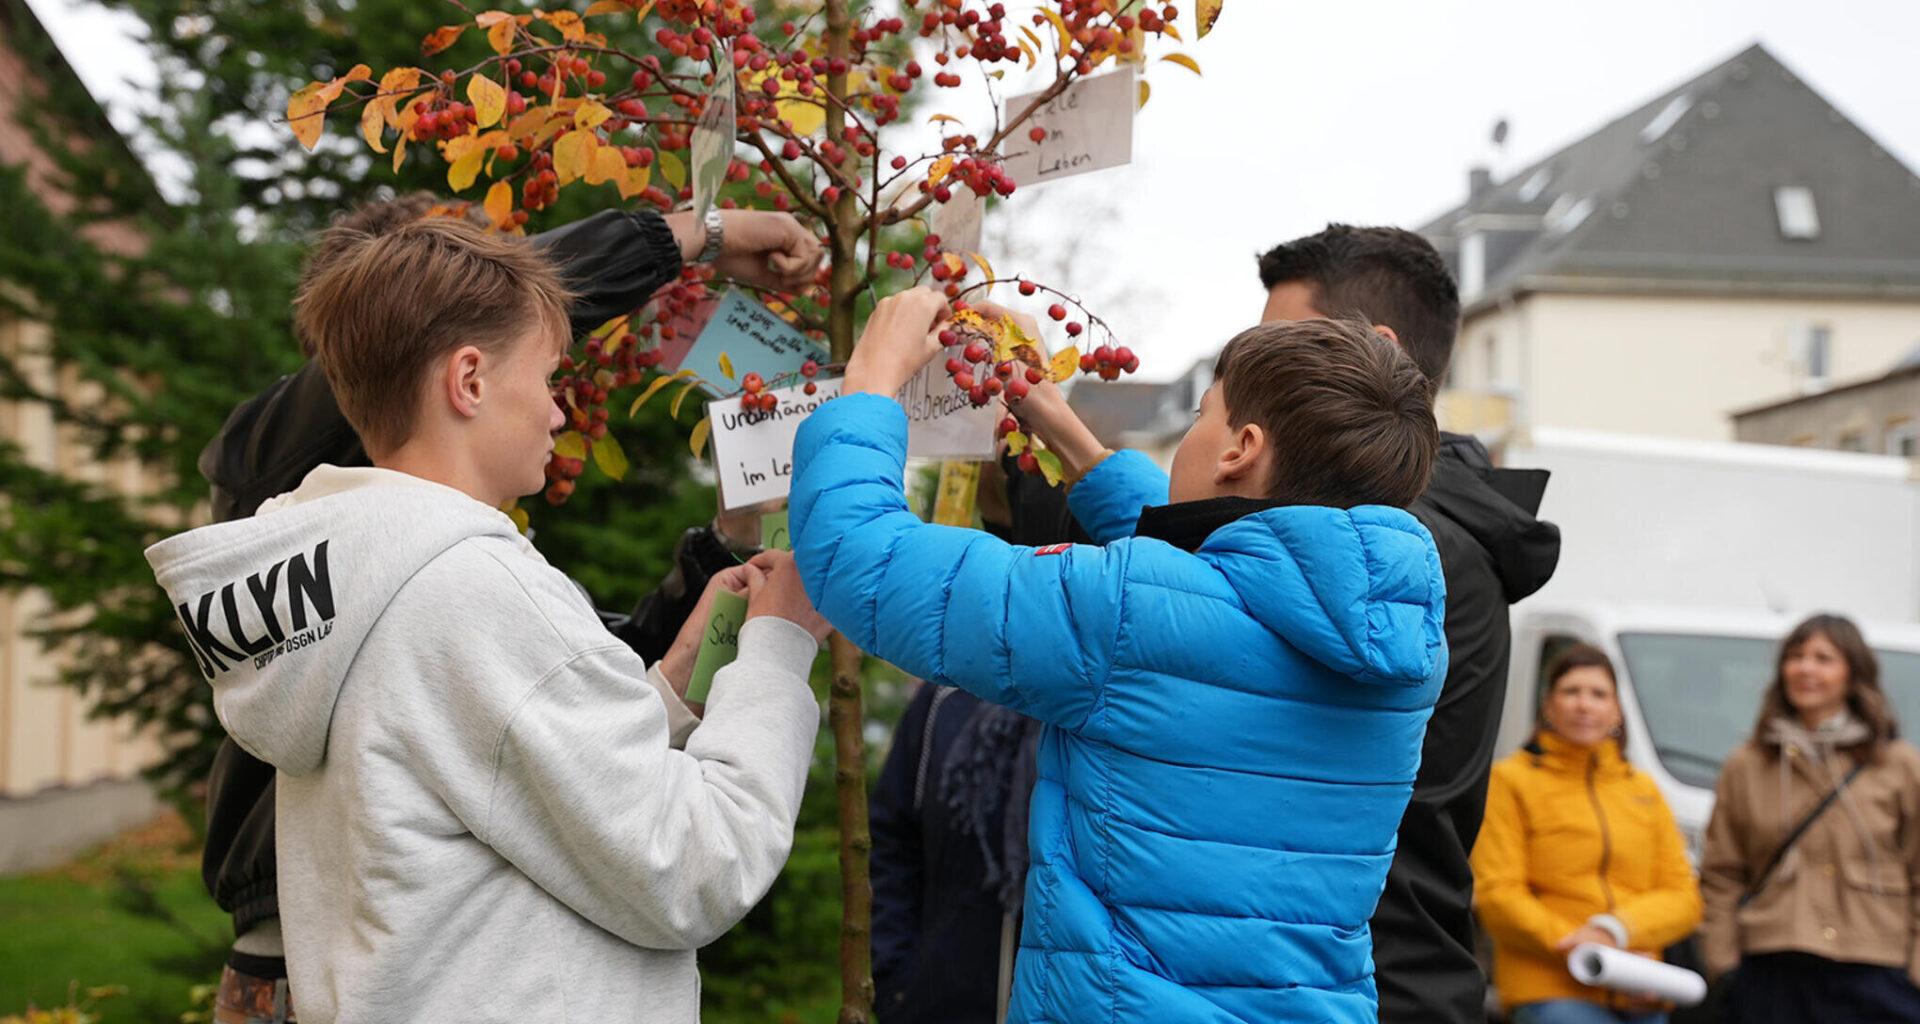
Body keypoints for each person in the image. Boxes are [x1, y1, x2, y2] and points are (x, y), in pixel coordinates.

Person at [147, 217, 829, 1024]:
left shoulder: (360, 578)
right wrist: (780, 648)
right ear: (469, 380)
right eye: (546, 380)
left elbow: (499, 773)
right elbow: (696, 866)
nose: (557, 414)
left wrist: (672, 685)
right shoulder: (472, 587)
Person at [791, 289, 1449, 1022]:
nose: (1192, 434)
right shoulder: (1402, 640)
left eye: (1203, 414)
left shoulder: (1129, 610)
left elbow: (863, 563)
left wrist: (872, 381)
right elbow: (1238, 568)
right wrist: (1065, 429)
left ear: (1241, 450)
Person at [1259, 224, 1563, 1024]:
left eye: (1275, 349)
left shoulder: (1398, 546)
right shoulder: (1421, 529)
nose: (1249, 380)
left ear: (1375, 349)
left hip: (1372, 982)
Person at [1698, 614, 1920, 1023]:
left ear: (1853, 675)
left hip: (1879, 971)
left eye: (1824, 658)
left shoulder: (1898, 765)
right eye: (1796, 656)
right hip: (1770, 970)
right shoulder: (1747, 764)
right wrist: (1724, 965)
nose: (1806, 668)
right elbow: (1721, 874)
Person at [1472, 644, 1703, 1024]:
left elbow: (1684, 898)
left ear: (1616, 711)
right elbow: (1498, 896)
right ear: (1548, 706)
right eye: (1571, 691)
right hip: (1551, 990)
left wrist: (1617, 933)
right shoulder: (1510, 781)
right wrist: (1582, 947)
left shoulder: (1643, 789)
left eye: (1599, 694)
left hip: (1640, 989)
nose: (1584, 704)